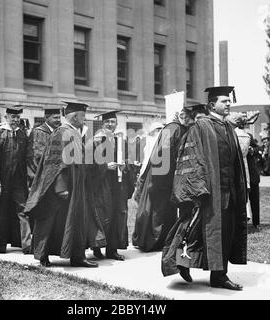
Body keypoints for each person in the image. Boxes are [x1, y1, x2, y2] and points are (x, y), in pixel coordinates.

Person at [163, 86, 247, 291]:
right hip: (206, 193)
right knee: (191, 232)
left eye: (229, 101)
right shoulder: (200, 127)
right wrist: (197, 190)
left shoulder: (228, 127)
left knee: (224, 234)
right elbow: (190, 159)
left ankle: (219, 276)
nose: (229, 104)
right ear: (212, 105)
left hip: (228, 192)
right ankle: (182, 264)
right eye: (224, 101)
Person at [24, 102, 105, 268]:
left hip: (76, 185)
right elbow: (55, 163)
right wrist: (61, 187)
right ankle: (43, 255)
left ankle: (77, 256)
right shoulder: (62, 133)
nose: (84, 120)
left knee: (74, 221)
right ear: (74, 116)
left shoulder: (72, 132)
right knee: (52, 220)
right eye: (83, 116)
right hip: (65, 188)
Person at [132, 107, 190, 252]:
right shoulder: (173, 129)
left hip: (164, 177)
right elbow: (162, 154)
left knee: (163, 211)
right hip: (161, 178)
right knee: (157, 211)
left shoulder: (176, 128)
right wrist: (159, 179)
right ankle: (154, 241)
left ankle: (161, 239)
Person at [0, 106, 32, 254]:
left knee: (23, 211)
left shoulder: (22, 134)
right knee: (1, 212)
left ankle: (27, 245)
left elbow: (27, 157)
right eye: (13, 117)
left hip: (18, 182)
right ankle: (0, 244)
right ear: (6, 117)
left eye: (18, 118)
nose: (15, 120)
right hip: (2, 181)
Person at [90, 111, 135, 261]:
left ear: (116, 124)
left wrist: (125, 166)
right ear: (102, 124)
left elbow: (128, 158)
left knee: (118, 214)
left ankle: (112, 249)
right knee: (102, 214)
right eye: (107, 122)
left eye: (113, 122)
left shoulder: (121, 139)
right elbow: (90, 161)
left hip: (118, 182)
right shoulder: (96, 139)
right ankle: (96, 246)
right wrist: (105, 166)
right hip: (102, 183)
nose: (110, 124)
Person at [26, 108, 62, 187]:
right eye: (55, 118)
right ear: (46, 118)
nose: (58, 120)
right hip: (42, 176)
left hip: (55, 175)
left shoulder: (59, 132)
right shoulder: (38, 132)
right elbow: (36, 155)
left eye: (59, 117)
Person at [247, 134, 261, 229]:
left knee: (254, 199)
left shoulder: (248, 136)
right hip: (239, 171)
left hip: (252, 172)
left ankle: (256, 222)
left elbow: (257, 148)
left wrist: (252, 150)